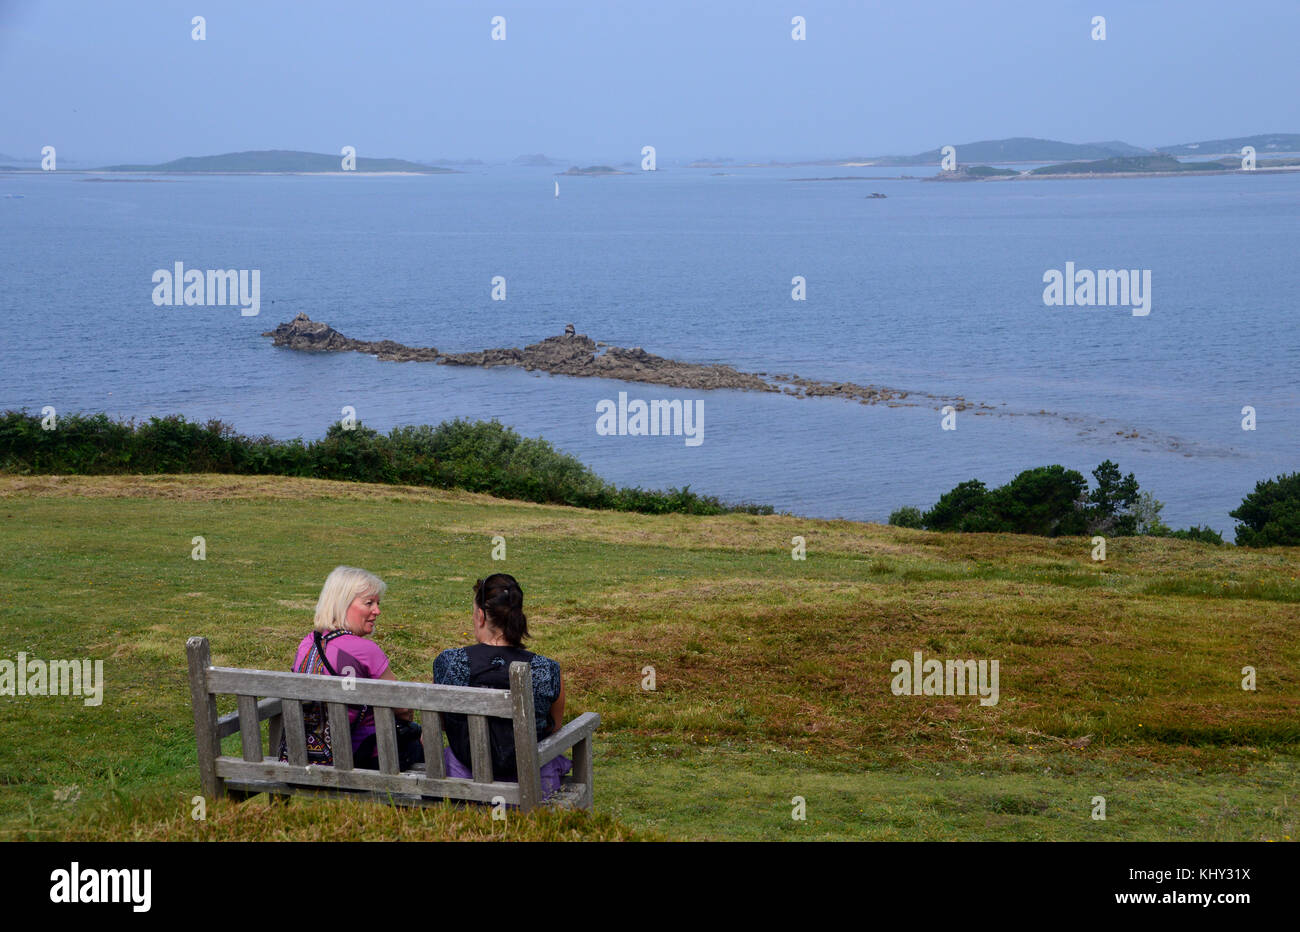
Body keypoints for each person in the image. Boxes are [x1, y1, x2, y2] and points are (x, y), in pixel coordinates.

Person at [433, 573, 570, 797]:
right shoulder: (546, 669)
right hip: (529, 788)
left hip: (463, 782)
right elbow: (554, 728)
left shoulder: (449, 662)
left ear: (480, 616)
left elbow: (442, 723)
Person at [288, 565, 423, 770]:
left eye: (378, 603)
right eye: (369, 603)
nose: (377, 611)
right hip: (362, 757)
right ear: (342, 604)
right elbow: (402, 708)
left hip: (307, 755)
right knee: (416, 740)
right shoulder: (365, 650)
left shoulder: (307, 644)